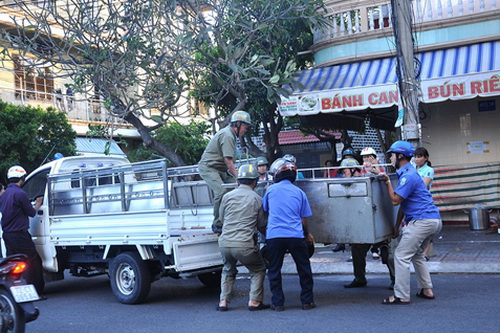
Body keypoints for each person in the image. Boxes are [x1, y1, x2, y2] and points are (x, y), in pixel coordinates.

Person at [379, 141, 442, 305]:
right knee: (417, 254)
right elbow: (403, 205)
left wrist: (387, 182)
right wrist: (396, 225)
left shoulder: (408, 175)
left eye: (392, 155)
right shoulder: (409, 173)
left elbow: (395, 200)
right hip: (433, 220)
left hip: (421, 221)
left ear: (400, 156)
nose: (391, 158)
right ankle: (426, 289)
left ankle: (401, 295)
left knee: (401, 255)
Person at [262, 157, 315, 311]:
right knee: (304, 269)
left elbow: (265, 209)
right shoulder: (300, 193)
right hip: (296, 236)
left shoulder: (270, 190)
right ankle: (307, 301)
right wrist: (307, 234)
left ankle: (278, 303)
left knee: (274, 270)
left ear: (277, 175)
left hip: (274, 236)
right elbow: (304, 218)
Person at [216, 164, 269, 312]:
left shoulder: (227, 196)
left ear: (238, 181)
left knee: (228, 270)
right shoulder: (257, 198)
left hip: (225, 243)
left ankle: (223, 302)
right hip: (244, 244)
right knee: (258, 269)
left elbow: (221, 218)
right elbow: (261, 225)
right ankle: (254, 301)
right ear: (255, 182)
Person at [198, 110, 252, 233]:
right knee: (221, 191)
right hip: (209, 168)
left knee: (238, 190)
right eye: (245, 126)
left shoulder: (231, 135)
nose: (245, 130)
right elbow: (228, 160)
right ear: (237, 124)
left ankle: (233, 219)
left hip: (221, 170)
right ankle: (217, 224)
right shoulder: (227, 135)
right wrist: (239, 177)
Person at [0, 166, 45, 293]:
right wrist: (38, 203)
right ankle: (36, 292)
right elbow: (31, 213)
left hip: (7, 235)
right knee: (33, 262)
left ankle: (13, 291)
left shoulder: (4, 194)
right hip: (20, 236)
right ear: (22, 178)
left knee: (12, 264)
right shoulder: (20, 194)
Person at [414, 147, 435, 260]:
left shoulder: (429, 170)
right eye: (415, 157)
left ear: (426, 158)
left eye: (419, 156)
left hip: (424, 203)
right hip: (413, 203)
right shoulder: (412, 168)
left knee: (427, 230)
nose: (417, 159)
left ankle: (425, 254)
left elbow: (423, 186)